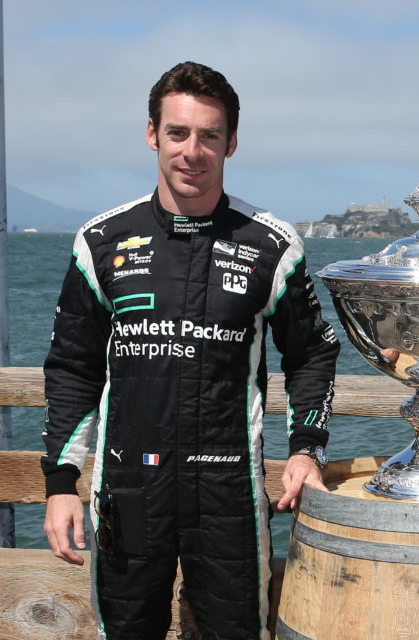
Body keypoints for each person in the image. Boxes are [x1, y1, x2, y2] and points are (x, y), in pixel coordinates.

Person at [40, 61, 341, 639]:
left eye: (209, 135)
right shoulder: (100, 241)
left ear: (231, 143)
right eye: (177, 132)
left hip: (229, 492)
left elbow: (311, 354)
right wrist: (60, 485)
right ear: (152, 134)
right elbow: (73, 368)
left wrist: (307, 450)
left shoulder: (272, 244)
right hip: (127, 488)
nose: (192, 151)